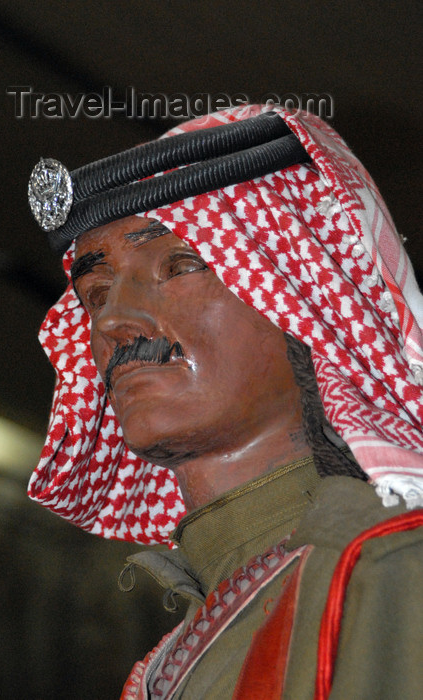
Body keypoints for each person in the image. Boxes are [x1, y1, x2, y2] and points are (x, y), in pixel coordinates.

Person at [27, 105, 423, 699]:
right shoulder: (177, 658)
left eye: (180, 266)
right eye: (96, 292)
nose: (112, 319)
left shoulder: (387, 572)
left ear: (307, 296)